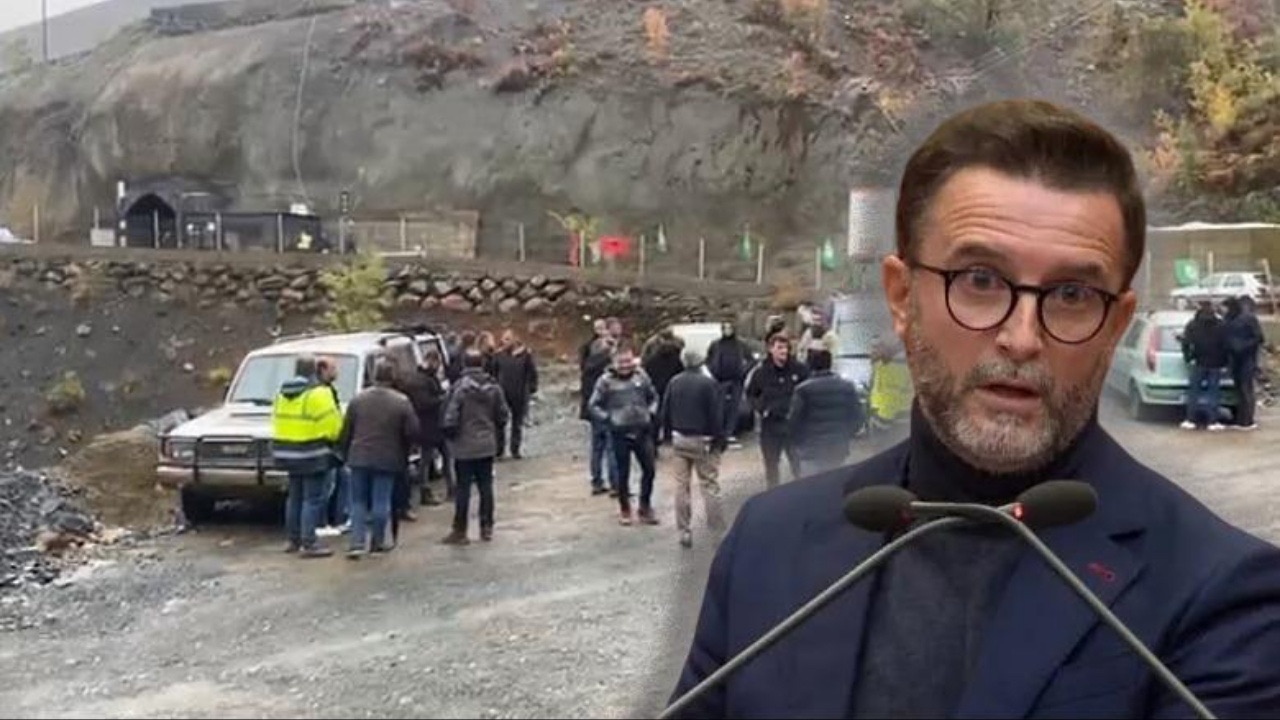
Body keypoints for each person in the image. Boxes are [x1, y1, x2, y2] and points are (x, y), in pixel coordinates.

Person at [669, 99, 1280, 719]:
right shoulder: (768, 544)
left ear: (1116, 325)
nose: (1022, 337)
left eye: (1072, 294)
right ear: (901, 298)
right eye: (981, 281)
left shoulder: (1225, 598)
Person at [338, 359, 419, 558]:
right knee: (381, 501)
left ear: (374, 376)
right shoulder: (401, 402)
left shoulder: (358, 400)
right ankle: (377, 542)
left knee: (357, 502)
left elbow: (346, 430)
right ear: (392, 377)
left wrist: (344, 453)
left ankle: (356, 543)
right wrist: (406, 451)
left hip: (359, 456)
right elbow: (413, 431)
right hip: (388, 458)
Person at [270, 355, 343, 558]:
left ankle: (293, 540)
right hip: (313, 454)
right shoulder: (320, 394)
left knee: (294, 497)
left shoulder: (281, 394)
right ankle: (309, 543)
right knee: (312, 499)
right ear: (315, 370)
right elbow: (334, 428)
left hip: (287, 453)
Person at [441, 349, 509, 545]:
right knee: (486, 486)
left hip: (464, 446)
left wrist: (451, 437)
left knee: (463, 488)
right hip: (486, 444)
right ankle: (486, 527)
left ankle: (460, 530)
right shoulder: (494, 388)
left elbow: (450, 417)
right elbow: (503, 415)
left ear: (464, 364)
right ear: (482, 364)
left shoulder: (459, 388)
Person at [662, 348, 726, 549]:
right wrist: (719, 439)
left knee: (681, 486)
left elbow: (665, 411)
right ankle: (717, 531)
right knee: (709, 485)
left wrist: (667, 436)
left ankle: (684, 531)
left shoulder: (674, 382)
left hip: (680, 439)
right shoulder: (708, 384)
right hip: (702, 440)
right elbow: (716, 415)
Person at [590, 345, 660, 526]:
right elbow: (594, 405)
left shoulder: (641, 376)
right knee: (623, 473)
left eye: (628, 361)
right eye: (621, 362)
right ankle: (625, 509)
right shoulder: (605, 381)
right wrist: (608, 419)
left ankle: (645, 506)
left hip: (642, 431)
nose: (625, 365)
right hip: (619, 433)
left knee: (650, 470)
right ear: (614, 362)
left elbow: (653, 397)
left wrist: (650, 413)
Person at [745, 333, 809, 487]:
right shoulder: (761, 372)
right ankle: (773, 494)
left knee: (799, 465)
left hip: (794, 426)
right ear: (771, 349)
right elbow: (751, 394)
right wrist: (762, 409)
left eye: (786, 348)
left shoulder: (799, 370)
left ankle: (803, 493)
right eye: (780, 348)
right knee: (771, 466)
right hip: (771, 426)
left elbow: (808, 391)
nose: (784, 351)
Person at [786, 347, 863, 476]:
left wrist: (799, 442)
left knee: (812, 486)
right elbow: (858, 417)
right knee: (835, 484)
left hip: (811, 450)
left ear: (810, 365)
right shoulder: (847, 387)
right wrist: (845, 435)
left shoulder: (803, 390)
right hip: (838, 448)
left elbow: (794, 421)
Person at [397, 349, 450, 506]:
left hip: (427, 424)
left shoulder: (420, 378)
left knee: (434, 458)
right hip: (430, 425)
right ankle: (427, 491)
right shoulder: (423, 381)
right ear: (432, 361)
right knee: (430, 459)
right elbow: (424, 403)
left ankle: (444, 488)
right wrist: (442, 398)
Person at [579, 320, 618, 496]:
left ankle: (597, 481)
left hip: (593, 406)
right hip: (607, 406)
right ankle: (615, 483)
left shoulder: (586, 357)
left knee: (597, 446)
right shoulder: (606, 365)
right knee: (611, 445)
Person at [1180, 302, 1229, 431]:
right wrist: (1225, 362)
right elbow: (1226, 345)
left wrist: (1188, 358)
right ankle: (1212, 422)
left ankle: (1190, 420)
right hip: (1216, 364)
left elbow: (1186, 343)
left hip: (1199, 362)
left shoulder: (1193, 325)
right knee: (1213, 393)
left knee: (1194, 392)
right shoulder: (1221, 325)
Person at [316, 357, 350, 536]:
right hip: (325, 444)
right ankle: (321, 523)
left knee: (341, 479)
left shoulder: (329, 390)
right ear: (323, 370)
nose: (336, 372)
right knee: (325, 487)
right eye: (333, 368)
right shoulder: (321, 392)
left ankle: (339, 519)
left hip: (332, 445)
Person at [493, 329, 539, 459]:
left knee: (517, 423)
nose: (504, 342)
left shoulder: (525, 355)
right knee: (500, 422)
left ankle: (515, 449)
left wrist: (532, 388)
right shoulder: (498, 355)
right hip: (502, 393)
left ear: (515, 339)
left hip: (519, 393)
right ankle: (499, 450)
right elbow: (493, 372)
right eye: (504, 339)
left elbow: (532, 372)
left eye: (508, 339)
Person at [706, 321, 752, 441]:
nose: (727, 330)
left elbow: (751, 360)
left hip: (737, 379)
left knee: (734, 408)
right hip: (720, 380)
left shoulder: (741, 344)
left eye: (729, 328)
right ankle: (719, 432)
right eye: (725, 328)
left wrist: (743, 370)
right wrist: (713, 370)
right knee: (718, 407)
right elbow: (708, 359)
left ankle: (730, 432)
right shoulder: (716, 344)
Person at [1224, 295, 1264, 430]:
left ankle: (1248, 420)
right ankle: (1240, 419)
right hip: (1234, 360)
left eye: (1225, 307)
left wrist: (1242, 346)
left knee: (1246, 389)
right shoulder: (1228, 319)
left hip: (1247, 359)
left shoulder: (1248, 319)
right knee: (1239, 390)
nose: (1223, 310)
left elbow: (1259, 338)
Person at [643, 328, 685, 445]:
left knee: (657, 412)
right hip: (672, 386)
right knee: (671, 411)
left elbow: (646, 368)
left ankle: (654, 436)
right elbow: (681, 372)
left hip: (657, 386)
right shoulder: (677, 356)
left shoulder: (652, 358)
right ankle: (668, 434)